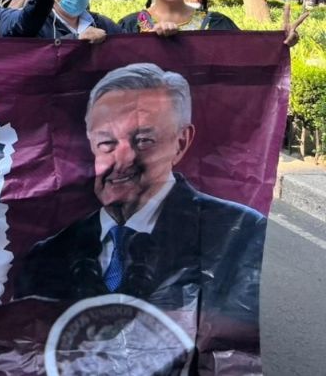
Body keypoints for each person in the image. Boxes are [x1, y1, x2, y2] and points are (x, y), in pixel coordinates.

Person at [15, 63, 266, 356]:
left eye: (144, 140)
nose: (122, 159)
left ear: (181, 142)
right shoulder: (46, 257)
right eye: (106, 142)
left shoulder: (236, 234)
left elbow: (229, 346)